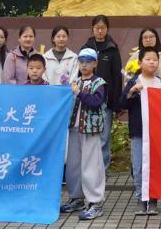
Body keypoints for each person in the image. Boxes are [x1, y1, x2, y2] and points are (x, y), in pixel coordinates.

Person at [60, 48, 107, 221]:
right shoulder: (76, 81)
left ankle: (95, 202)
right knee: (73, 166)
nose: (84, 65)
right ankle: (77, 198)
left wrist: (78, 92)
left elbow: (96, 102)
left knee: (92, 165)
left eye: (88, 62)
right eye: (81, 62)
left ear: (95, 64)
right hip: (74, 129)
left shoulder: (99, 83)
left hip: (90, 130)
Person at [120, 47, 161, 215]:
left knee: (155, 167)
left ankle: (153, 198)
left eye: (155, 60)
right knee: (138, 167)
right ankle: (141, 198)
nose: (152, 62)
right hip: (138, 132)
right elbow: (122, 104)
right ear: (140, 63)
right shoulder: (134, 81)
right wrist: (131, 92)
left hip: (157, 133)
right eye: (148, 59)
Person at [81, 15, 122, 170]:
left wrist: (116, 103)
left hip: (106, 101)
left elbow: (117, 76)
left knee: (104, 137)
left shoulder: (112, 49)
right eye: (97, 27)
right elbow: (80, 73)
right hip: (87, 99)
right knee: (88, 135)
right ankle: (89, 169)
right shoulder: (86, 48)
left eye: (103, 28)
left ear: (107, 29)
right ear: (92, 29)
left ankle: (102, 170)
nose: (100, 31)